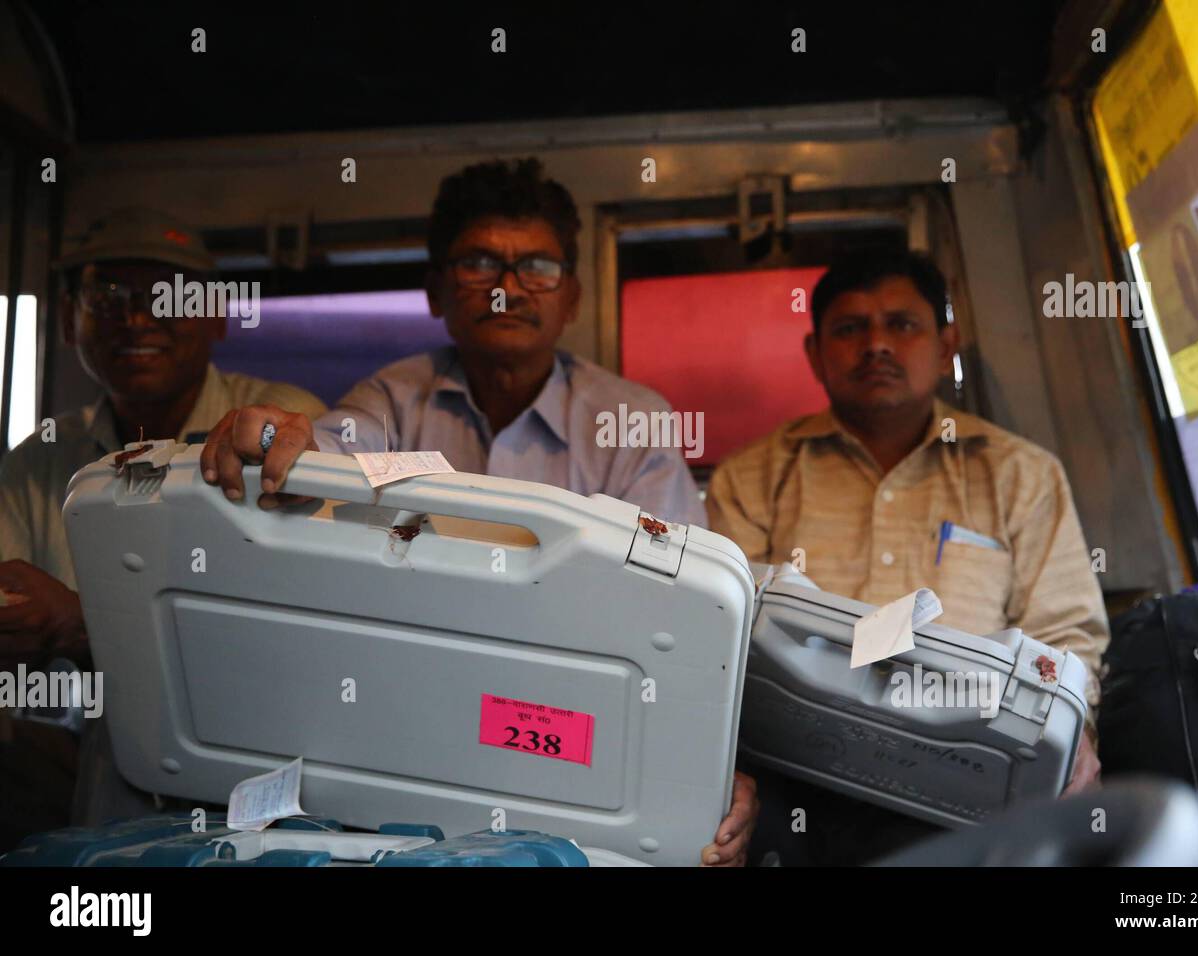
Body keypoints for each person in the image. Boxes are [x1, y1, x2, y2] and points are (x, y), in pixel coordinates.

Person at [197, 159, 755, 865]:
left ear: (573, 295)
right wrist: (291, 437)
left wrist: (696, 771)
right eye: (480, 263)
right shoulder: (394, 399)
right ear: (435, 290)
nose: (508, 288)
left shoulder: (632, 421)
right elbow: (339, 447)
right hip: (407, 735)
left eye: (538, 267)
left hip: (579, 736)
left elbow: (677, 617)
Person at [707, 250, 1106, 840]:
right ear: (815, 355)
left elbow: (1068, 637)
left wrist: (1076, 735)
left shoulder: (1021, 474)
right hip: (796, 774)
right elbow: (722, 635)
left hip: (979, 766)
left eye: (902, 324)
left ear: (946, 346)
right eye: (850, 329)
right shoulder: (752, 478)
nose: (877, 345)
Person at [0, 206, 327, 837]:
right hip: (94, 798)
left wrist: (78, 625)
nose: (139, 316)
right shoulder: (36, 462)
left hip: (262, 812)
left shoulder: (277, 427)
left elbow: (292, 653)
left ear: (217, 316)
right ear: (70, 319)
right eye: (107, 295)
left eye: (168, 295)